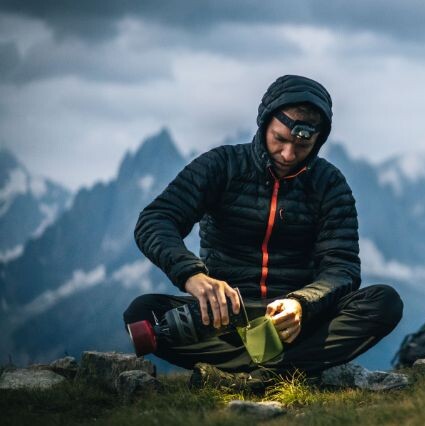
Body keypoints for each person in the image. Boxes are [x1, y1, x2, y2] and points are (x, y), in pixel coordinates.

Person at [122, 75, 403, 392]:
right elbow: (156, 220)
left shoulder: (330, 184)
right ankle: (285, 371)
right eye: (279, 139)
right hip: (224, 317)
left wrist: (301, 304)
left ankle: (248, 377)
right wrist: (193, 277)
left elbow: (342, 267)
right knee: (142, 313)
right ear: (264, 122)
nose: (287, 154)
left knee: (384, 302)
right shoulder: (222, 165)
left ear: (318, 141)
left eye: (302, 145)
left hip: (294, 324)